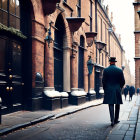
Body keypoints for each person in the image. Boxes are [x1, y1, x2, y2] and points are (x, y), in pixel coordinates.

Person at [102, 57, 125, 127]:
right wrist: (119, 87)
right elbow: (123, 81)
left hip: (109, 89)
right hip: (117, 89)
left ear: (109, 62)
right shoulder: (120, 70)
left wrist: (105, 88)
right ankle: (116, 119)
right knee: (117, 104)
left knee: (111, 104)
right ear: (115, 62)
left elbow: (103, 81)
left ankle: (112, 120)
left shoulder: (105, 70)